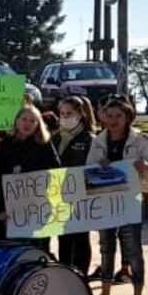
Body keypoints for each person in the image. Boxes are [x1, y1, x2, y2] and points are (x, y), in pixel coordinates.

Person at [86, 95, 148, 295]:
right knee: (106, 247)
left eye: (119, 116)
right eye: (110, 116)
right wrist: (99, 166)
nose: (114, 120)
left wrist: (145, 166)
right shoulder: (98, 141)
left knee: (133, 249)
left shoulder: (141, 141)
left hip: (131, 201)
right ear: (104, 118)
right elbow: (87, 170)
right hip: (106, 201)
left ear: (128, 117)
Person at [0, 105, 61, 243]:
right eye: (24, 119)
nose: (27, 124)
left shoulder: (44, 145)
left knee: (39, 250)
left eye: (32, 121)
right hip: (11, 210)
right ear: (16, 121)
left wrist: (25, 171)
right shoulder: (4, 145)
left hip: (38, 208)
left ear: (38, 124)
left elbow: (55, 170)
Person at [52, 96, 97, 277]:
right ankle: (65, 276)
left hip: (81, 198)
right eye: (62, 113)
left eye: (69, 113)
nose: (65, 117)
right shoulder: (53, 138)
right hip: (59, 197)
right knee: (63, 239)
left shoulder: (89, 140)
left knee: (80, 239)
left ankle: (80, 277)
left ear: (80, 115)